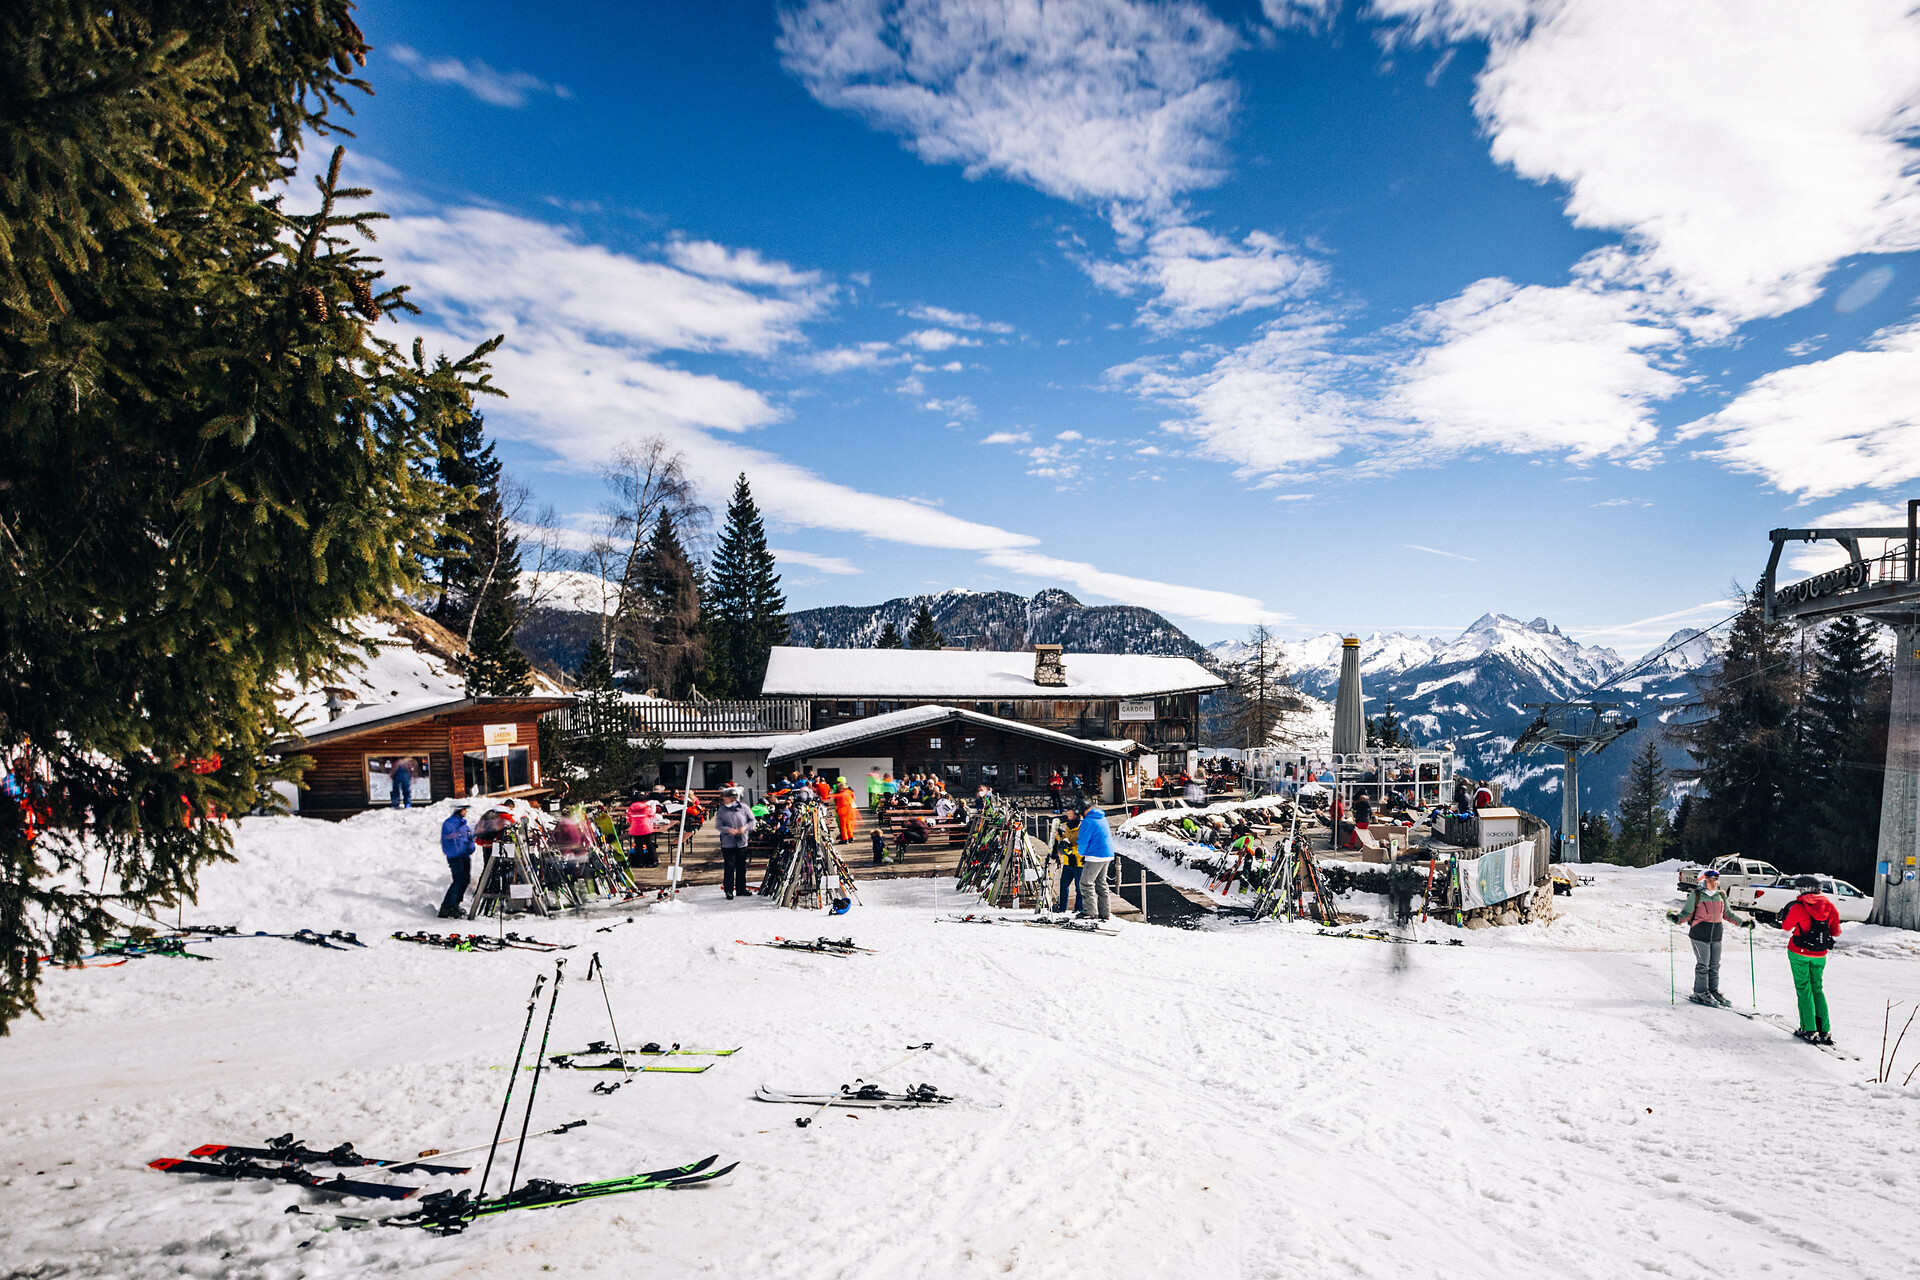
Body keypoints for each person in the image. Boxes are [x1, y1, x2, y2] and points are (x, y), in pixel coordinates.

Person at [1669, 868, 1751, 1007]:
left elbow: (1727, 914)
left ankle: (1713, 991)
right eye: (1710, 880)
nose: (1714, 883)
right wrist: (1676, 919)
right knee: (1703, 965)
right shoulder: (1696, 895)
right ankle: (1700, 992)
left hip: (1716, 934)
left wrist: (1743, 923)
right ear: (1702, 882)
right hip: (1699, 934)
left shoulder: (1721, 894)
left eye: (1715, 880)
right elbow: (1687, 914)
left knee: (1715, 965)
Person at [1780, 875, 1843, 1045]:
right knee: (1817, 988)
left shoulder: (1799, 907)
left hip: (1799, 952)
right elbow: (1836, 932)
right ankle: (1824, 1030)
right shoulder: (1829, 906)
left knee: (1803, 988)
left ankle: (1809, 1028)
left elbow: (1786, 927)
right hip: (1820, 954)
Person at [1076, 797, 1116, 922]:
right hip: (1107, 853)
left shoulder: (1088, 821)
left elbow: (1083, 841)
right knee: (1101, 883)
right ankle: (1105, 912)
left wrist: (1081, 853)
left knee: (1086, 883)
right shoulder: (1102, 818)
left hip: (1095, 855)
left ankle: (1090, 912)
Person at [714, 786, 753, 900]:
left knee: (741, 867)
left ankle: (741, 889)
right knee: (729, 866)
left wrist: (745, 828)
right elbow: (719, 825)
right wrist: (728, 830)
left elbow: (752, 821)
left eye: (725, 797)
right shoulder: (722, 810)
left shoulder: (744, 808)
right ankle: (729, 890)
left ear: (732, 798)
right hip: (728, 843)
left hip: (742, 842)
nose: (723, 799)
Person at [438, 803, 474, 918]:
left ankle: (456, 904)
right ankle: (448, 906)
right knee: (458, 880)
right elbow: (448, 838)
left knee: (465, 880)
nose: (466, 812)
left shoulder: (464, 825)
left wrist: (471, 846)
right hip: (455, 856)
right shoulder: (449, 823)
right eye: (464, 809)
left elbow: (469, 837)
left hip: (464, 855)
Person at [1053, 813, 1084, 914]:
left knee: (1079, 888)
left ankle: (1079, 909)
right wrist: (1059, 838)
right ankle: (1062, 908)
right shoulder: (1067, 826)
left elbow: (1082, 846)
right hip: (1067, 862)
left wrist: (1071, 850)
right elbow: (1066, 839)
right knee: (1063, 885)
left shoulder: (1082, 828)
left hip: (1079, 863)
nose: (1069, 817)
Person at [625, 793, 658, 867]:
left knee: (638, 845)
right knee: (649, 844)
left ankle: (639, 862)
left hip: (635, 829)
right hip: (646, 828)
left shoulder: (630, 809)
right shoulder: (646, 807)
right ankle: (652, 861)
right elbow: (652, 814)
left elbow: (628, 819)